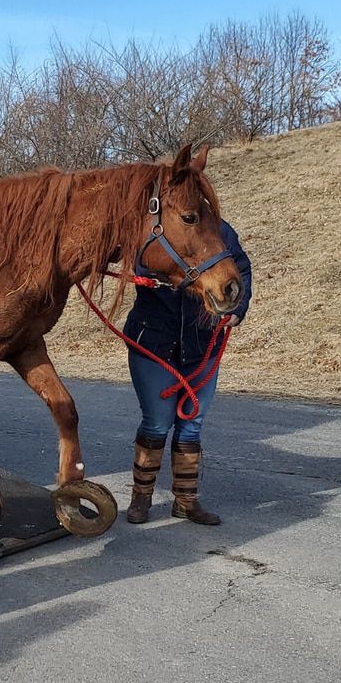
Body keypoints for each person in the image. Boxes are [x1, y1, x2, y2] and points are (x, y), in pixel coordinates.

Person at [123, 220, 253, 526]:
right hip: (154, 342)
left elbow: (241, 269)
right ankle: (141, 497)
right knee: (157, 423)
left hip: (202, 342)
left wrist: (237, 308)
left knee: (192, 425)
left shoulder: (219, 231)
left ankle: (186, 501)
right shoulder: (148, 229)